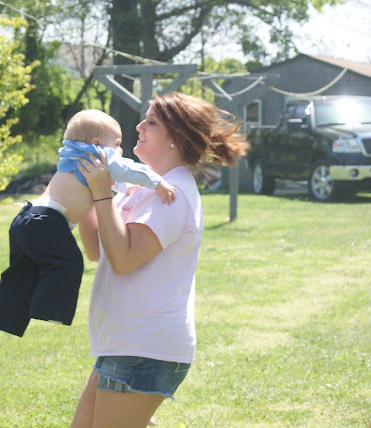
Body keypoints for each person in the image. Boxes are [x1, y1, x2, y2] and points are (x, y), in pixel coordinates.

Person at [70, 93, 248, 427]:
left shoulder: (173, 194)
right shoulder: (140, 185)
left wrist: (102, 192)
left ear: (176, 139)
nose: (139, 126)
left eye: (151, 122)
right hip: (125, 343)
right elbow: (97, 249)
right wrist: (88, 188)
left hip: (145, 348)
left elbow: (123, 260)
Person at [0, 109, 176, 337]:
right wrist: (157, 182)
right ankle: (50, 310)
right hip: (48, 220)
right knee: (68, 261)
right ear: (97, 143)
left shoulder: (76, 156)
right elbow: (127, 169)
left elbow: (110, 180)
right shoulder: (98, 154)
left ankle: (5, 317)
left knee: (21, 273)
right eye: (117, 144)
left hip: (27, 218)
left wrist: (127, 188)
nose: (120, 150)